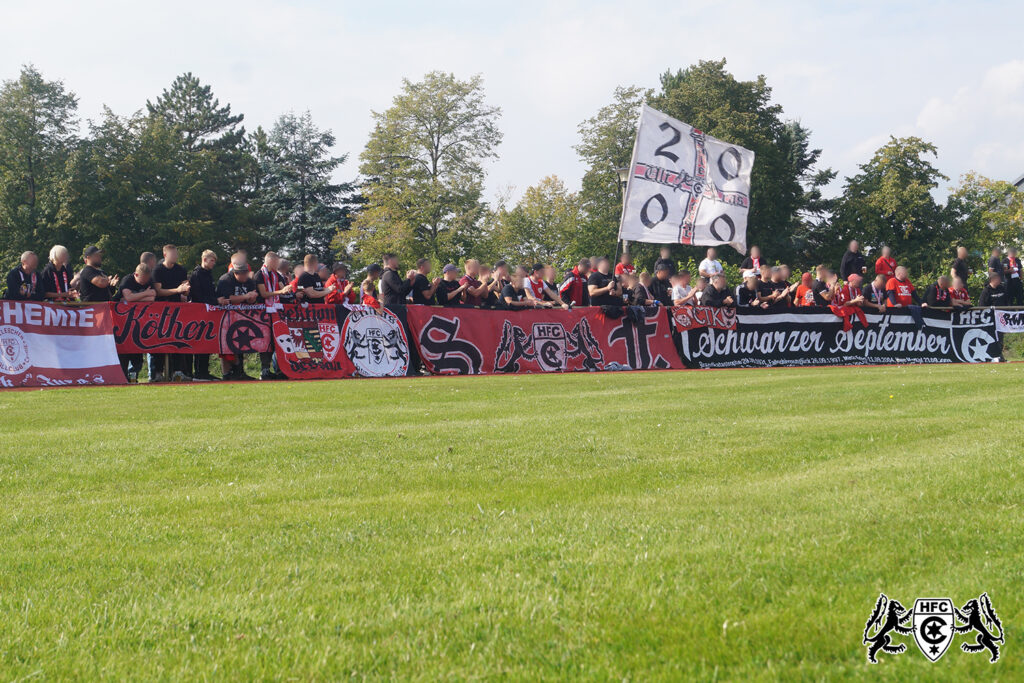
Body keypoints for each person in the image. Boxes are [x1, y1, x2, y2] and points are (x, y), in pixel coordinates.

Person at [216, 255, 260, 379]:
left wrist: (251, 298)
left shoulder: (250, 281)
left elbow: (251, 300)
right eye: (242, 274)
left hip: (243, 318)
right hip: (226, 318)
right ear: (236, 273)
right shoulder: (226, 279)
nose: (245, 277)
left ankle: (240, 372)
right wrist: (246, 297)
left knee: (241, 345)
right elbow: (227, 299)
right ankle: (226, 374)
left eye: (246, 274)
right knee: (226, 347)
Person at [152, 245, 191, 382]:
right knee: (160, 341)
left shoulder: (181, 270)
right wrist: (177, 290)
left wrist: (186, 289)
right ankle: (158, 372)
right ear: (165, 254)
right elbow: (158, 291)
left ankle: (178, 371)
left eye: (176, 253)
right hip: (160, 311)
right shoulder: (158, 270)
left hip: (177, 310)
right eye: (172, 254)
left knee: (178, 339)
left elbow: (185, 289)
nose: (175, 256)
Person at [116, 264, 157, 382]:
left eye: (147, 280)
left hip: (139, 322)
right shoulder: (127, 280)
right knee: (124, 351)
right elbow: (127, 298)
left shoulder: (149, 281)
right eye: (143, 279)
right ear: (136, 274)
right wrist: (144, 294)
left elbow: (153, 297)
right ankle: (124, 377)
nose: (144, 283)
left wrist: (134, 298)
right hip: (123, 321)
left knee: (137, 352)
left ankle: (133, 376)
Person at [188, 250, 219, 381]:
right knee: (200, 342)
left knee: (207, 342)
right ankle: (199, 372)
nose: (214, 263)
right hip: (199, 314)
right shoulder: (196, 275)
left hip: (209, 313)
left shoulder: (208, 274)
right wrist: (216, 301)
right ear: (204, 259)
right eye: (212, 260)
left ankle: (204, 371)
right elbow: (198, 296)